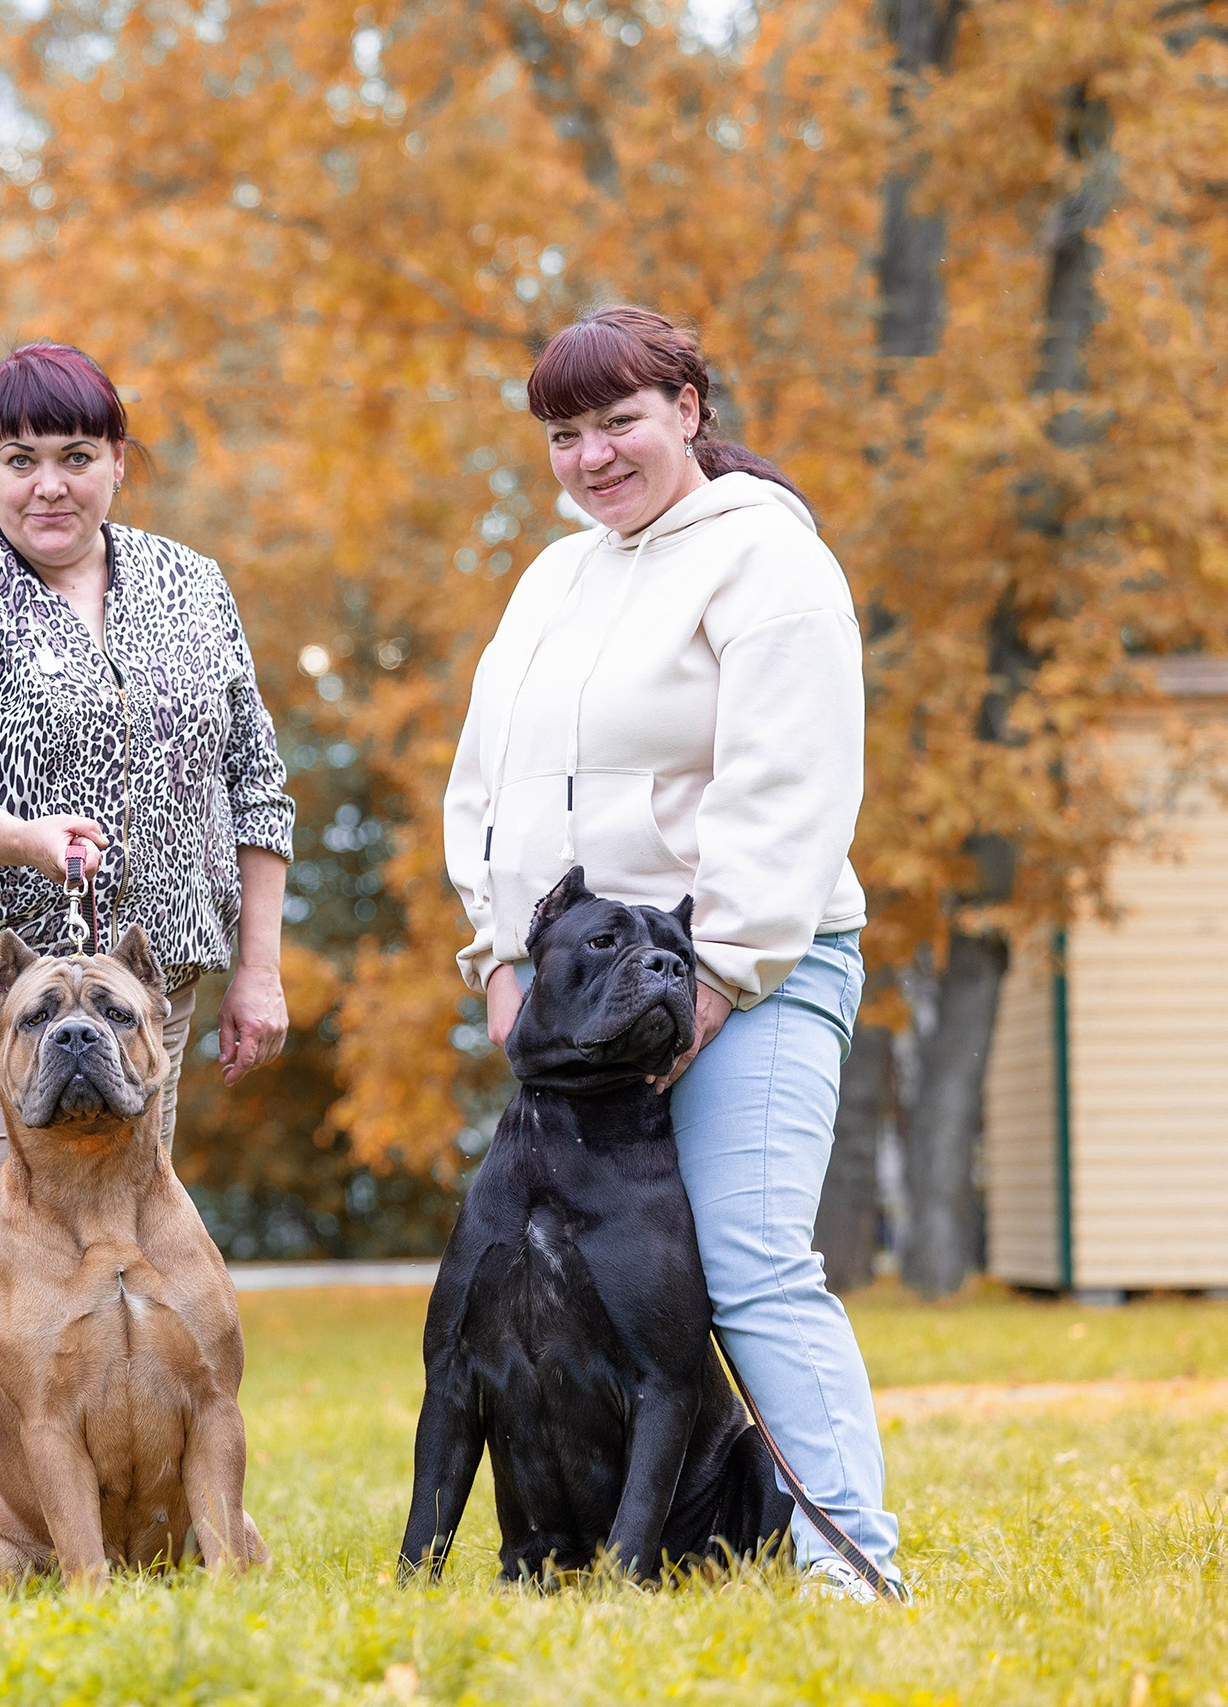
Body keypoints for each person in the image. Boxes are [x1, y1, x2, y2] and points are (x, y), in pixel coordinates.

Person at [441, 305, 904, 1602]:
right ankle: (615, 1551)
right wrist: (497, 957)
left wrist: (716, 977)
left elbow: (790, 788)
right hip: (578, 1002)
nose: (592, 456)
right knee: (583, 1289)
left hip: (752, 970)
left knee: (751, 1260)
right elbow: (485, 784)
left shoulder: (770, 562)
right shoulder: (552, 577)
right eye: (565, 433)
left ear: (689, 408)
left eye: (620, 421)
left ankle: (848, 1561)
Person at [0, 342, 297, 1593]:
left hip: (142, 989)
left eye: (78, 457)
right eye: (21, 459)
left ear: (117, 464)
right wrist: (27, 839)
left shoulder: (191, 590)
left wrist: (257, 967)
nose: (51, 485)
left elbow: (256, 782)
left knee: (120, 1252)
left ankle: (93, 1536)